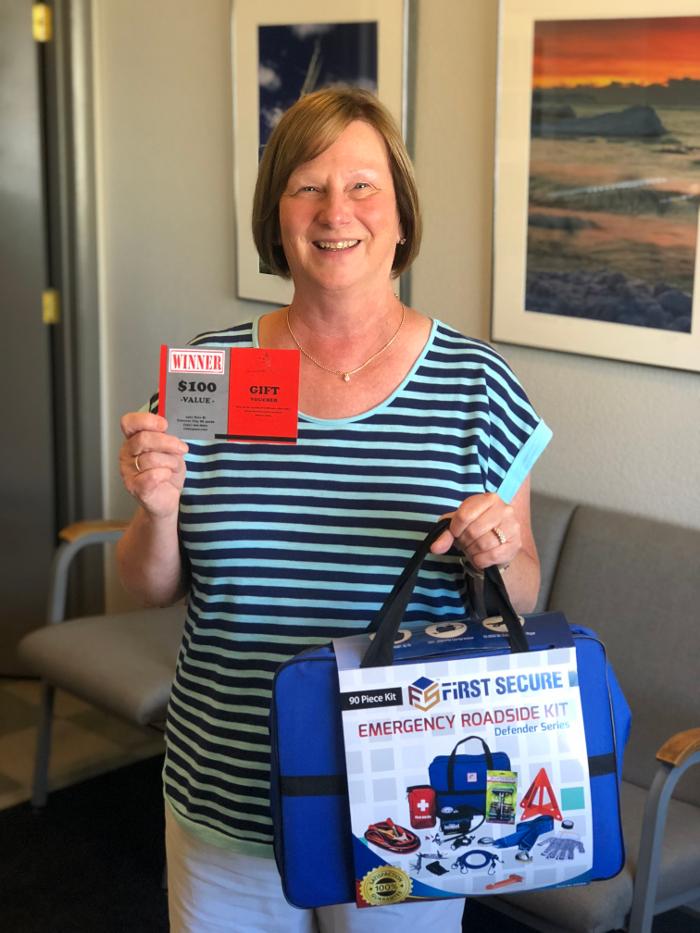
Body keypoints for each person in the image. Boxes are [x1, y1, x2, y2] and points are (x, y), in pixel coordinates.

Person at [117, 87, 551, 933]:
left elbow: (523, 593)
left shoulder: (475, 385)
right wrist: (156, 511)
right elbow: (149, 586)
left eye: (362, 187)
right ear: (276, 216)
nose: (335, 212)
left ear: (401, 215)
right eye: (307, 187)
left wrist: (500, 552)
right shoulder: (213, 375)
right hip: (229, 789)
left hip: (410, 800)